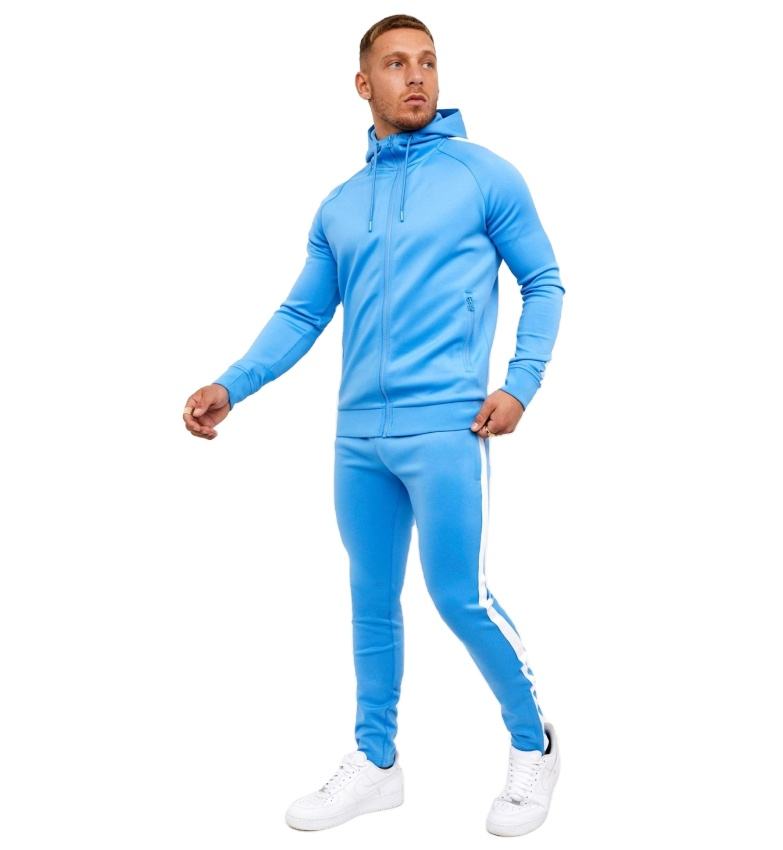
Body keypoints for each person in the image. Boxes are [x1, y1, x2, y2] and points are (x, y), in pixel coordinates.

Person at [182, 14, 565, 837]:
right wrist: (231, 385)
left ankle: (533, 744)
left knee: (459, 598)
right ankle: (377, 762)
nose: (416, 75)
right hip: (357, 437)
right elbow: (302, 314)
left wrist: (521, 384)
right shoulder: (341, 205)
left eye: (427, 61)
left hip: (449, 428)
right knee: (370, 599)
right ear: (364, 84)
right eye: (395, 64)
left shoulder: (483, 175)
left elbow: (544, 280)